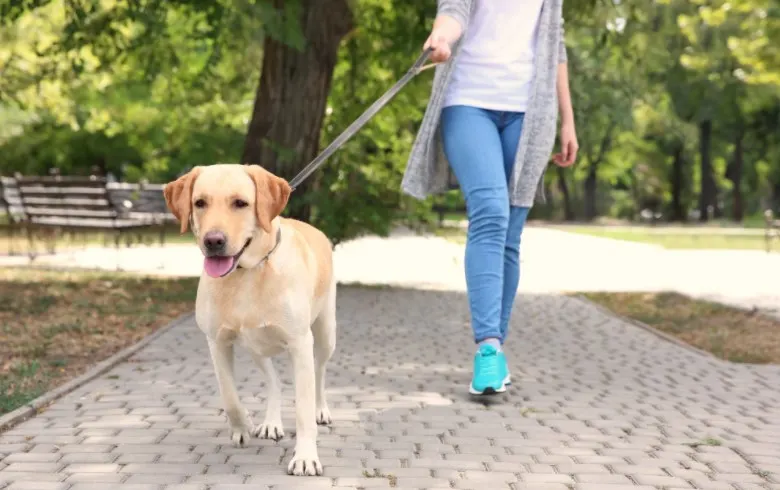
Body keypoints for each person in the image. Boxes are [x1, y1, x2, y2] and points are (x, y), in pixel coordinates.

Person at [401, 0, 578, 396]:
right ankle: (487, 348)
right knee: (490, 214)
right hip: (468, 101)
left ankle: (496, 348)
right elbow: (454, 10)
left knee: (510, 235)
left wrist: (568, 120)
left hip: (531, 112)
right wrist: (441, 37)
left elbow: (555, 42)